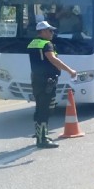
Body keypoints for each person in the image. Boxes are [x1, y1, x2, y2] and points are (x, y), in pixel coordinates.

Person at [27, 21, 77, 149]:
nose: (52, 33)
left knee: (40, 107)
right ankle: (42, 139)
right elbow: (53, 59)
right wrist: (69, 70)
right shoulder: (47, 44)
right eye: (50, 31)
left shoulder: (33, 43)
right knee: (46, 109)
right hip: (47, 80)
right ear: (43, 31)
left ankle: (40, 134)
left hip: (37, 79)